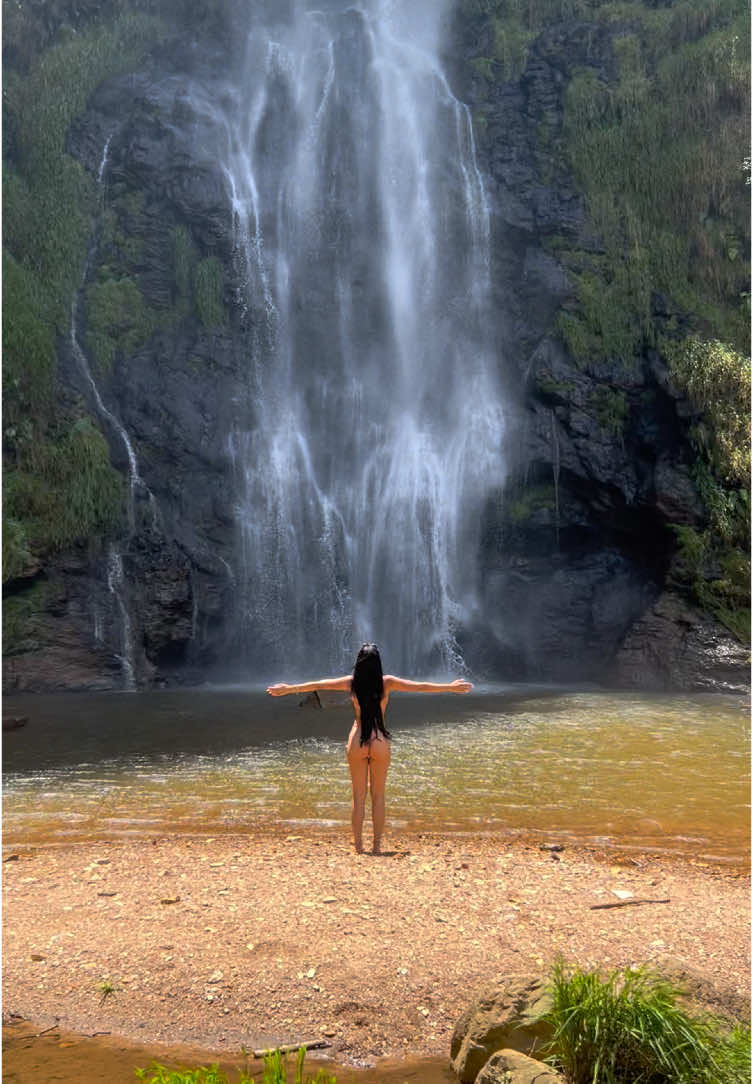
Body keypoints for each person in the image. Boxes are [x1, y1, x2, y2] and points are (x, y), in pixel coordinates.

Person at [266, 643, 472, 854]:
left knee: (358, 797)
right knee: (378, 796)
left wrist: (287, 689)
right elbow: (419, 686)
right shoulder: (387, 683)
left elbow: (319, 684)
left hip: (358, 738)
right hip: (379, 739)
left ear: (359, 664)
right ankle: (376, 847)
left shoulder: (351, 683)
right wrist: (450, 687)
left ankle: (358, 848)